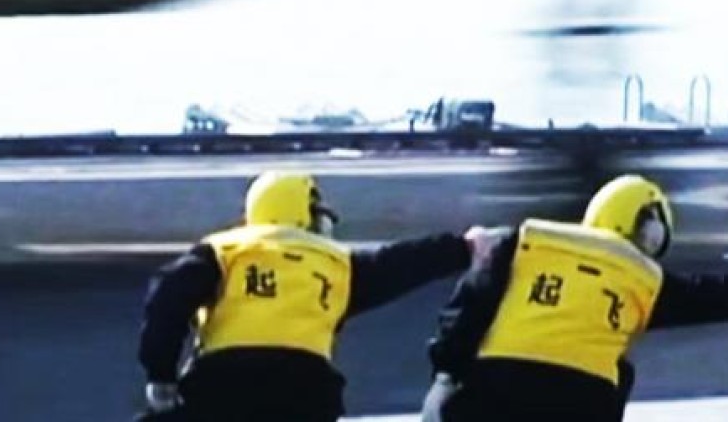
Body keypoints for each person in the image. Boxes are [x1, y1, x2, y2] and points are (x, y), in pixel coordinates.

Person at [422, 173, 728, 422]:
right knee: (621, 369)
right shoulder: (643, 276)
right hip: (583, 403)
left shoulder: (527, 239)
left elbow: (469, 305)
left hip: (493, 391)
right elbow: (707, 296)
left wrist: (449, 368)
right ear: (649, 229)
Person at [136, 170, 498, 422]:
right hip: (306, 395)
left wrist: (161, 375)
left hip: (222, 387)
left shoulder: (222, 251)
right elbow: (400, 264)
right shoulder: (336, 265)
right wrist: (465, 247)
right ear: (304, 214)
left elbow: (166, 300)